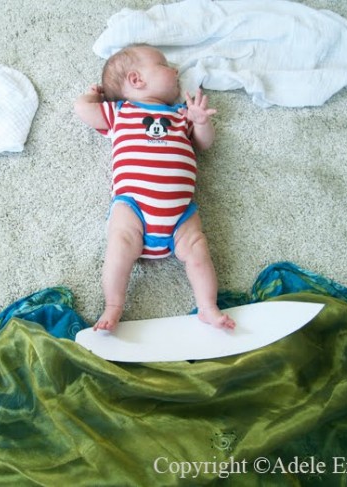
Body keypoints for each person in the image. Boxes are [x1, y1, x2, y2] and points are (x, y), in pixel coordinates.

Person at [74, 44, 235, 332]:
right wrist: (93, 96)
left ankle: (208, 306)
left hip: (181, 216)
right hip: (134, 207)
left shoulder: (181, 114)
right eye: (164, 65)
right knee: (119, 244)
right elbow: (83, 110)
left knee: (198, 248)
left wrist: (201, 122)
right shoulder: (121, 111)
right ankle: (113, 306)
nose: (175, 70)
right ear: (136, 79)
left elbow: (204, 144)